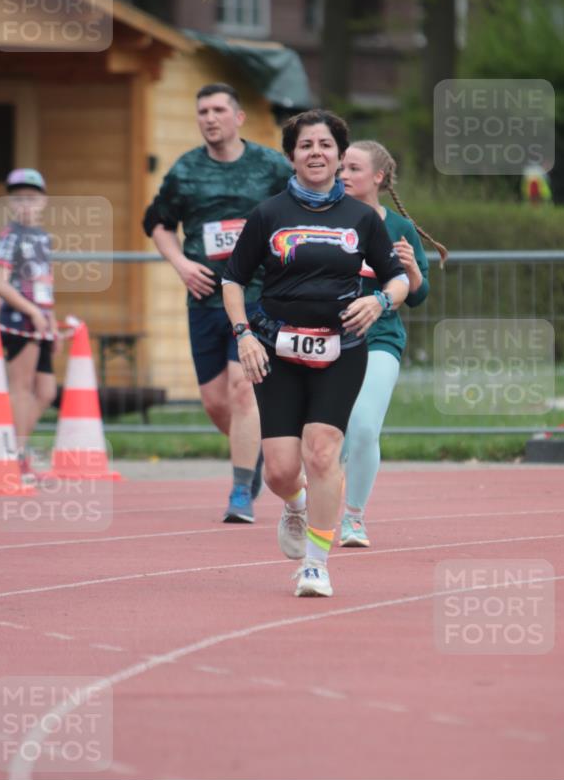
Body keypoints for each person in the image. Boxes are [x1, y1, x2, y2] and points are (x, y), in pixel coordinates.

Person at [222, 110, 411, 597]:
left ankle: (315, 563)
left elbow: (397, 277)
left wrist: (380, 299)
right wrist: (243, 334)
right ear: (292, 155)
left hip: (342, 348)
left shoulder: (363, 219)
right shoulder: (268, 214)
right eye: (306, 145)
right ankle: (295, 502)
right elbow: (233, 280)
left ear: (339, 155)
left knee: (323, 451)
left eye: (326, 145)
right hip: (275, 348)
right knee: (283, 469)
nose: (317, 153)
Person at [142, 83, 292, 524]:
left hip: (259, 298)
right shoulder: (186, 170)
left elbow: (303, 208)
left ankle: (240, 490)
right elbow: (156, 222)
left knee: (242, 388)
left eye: (218, 110)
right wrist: (181, 265)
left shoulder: (270, 166)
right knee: (215, 402)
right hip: (205, 298)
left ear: (238, 117)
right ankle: (261, 451)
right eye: (202, 111)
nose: (209, 118)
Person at [339, 141, 447, 547]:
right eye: (341, 169)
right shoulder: (328, 218)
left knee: (364, 426)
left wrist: (410, 272)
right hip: (328, 338)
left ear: (378, 177)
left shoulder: (399, 229)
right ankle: (307, 502)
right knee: (328, 434)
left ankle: (353, 518)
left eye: (352, 168)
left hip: (381, 337)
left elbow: (417, 295)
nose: (343, 175)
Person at [0, 168, 58, 484]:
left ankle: (9, 448)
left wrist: (51, 322)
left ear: (43, 201)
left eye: (31, 198)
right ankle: (15, 458)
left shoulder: (43, 237)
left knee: (46, 391)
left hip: (41, 322)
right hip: (20, 321)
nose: (25, 205)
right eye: (18, 199)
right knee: (21, 389)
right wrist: (32, 311)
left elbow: (45, 283)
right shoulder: (10, 236)